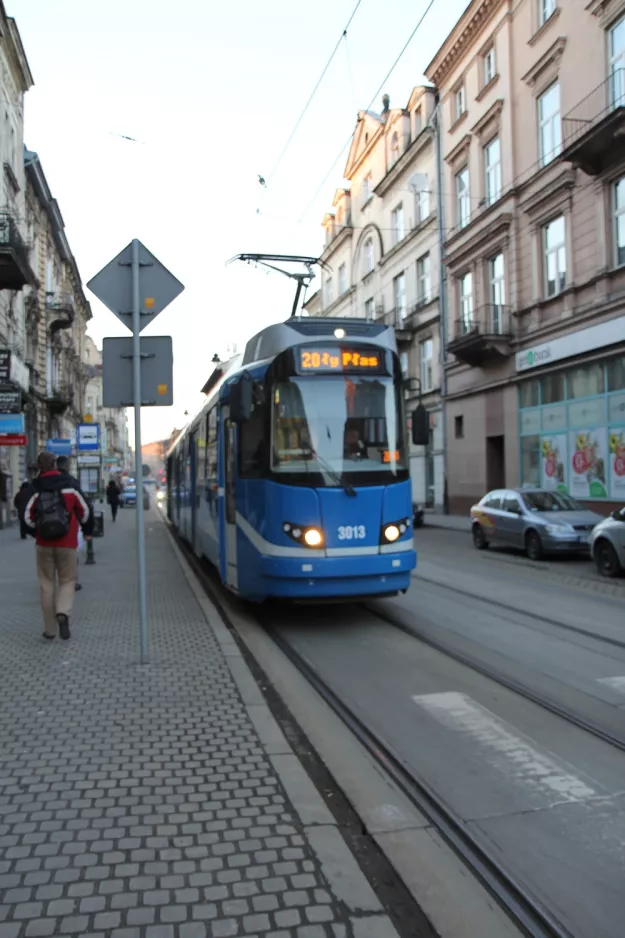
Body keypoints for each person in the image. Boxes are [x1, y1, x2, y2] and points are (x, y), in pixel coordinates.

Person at [23, 451, 93, 641]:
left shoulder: (35, 487)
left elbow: (26, 516)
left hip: (44, 543)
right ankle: (63, 612)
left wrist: (36, 532)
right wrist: (86, 531)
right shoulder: (69, 485)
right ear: (56, 464)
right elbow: (85, 510)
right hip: (68, 542)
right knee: (68, 581)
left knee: (46, 584)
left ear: (39, 467)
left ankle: (50, 630)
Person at [56, 455, 86, 592]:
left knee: (52, 558)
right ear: (67, 466)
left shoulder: (47, 481)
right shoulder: (72, 482)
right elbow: (83, 507)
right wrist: (87, 528)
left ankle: (56, 582)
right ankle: (73, 582)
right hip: (70, 526)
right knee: (72, 556)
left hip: (47, 528)